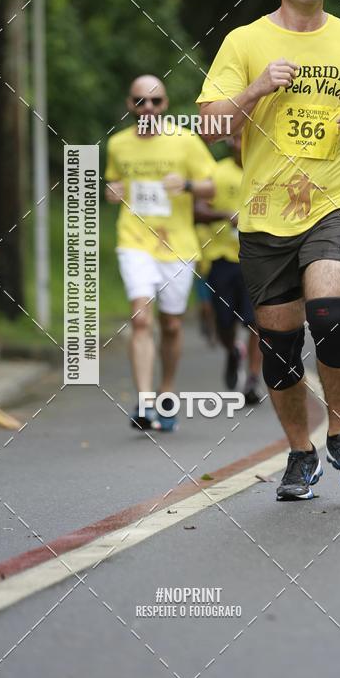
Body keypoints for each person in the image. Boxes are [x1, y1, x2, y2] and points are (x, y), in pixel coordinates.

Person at [196, 0, 340, 501]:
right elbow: (213, 125)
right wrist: (258, 86)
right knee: (279, 346)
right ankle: (300, 452)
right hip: (264, 214)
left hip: (335, 203)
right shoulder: (243, 42)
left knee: (331, 312)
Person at [105, 75, 215, 431]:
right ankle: (145, 401)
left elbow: (211, 185)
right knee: (140, 319)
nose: (147, 108)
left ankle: (166, 391)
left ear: (165, 105)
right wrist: (113, 191)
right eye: (140, 101)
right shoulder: (118, 145)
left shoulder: (185, 141)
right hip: (134, 241)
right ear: (130, 105)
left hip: (176, 245)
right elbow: (115, 183)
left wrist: (185, 185)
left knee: (170, 324)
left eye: (154, 101)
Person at [194, 134, 263, 405]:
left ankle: (253, 379)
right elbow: (197, 209)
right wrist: (225, 215)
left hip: (257, 258)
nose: (238, 144)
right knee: (224, 323)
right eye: (234, 139)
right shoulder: (216, 172)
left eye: (244, 138)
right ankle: (233, 351)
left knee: (257, 321)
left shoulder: (265, 168)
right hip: (222, 257)